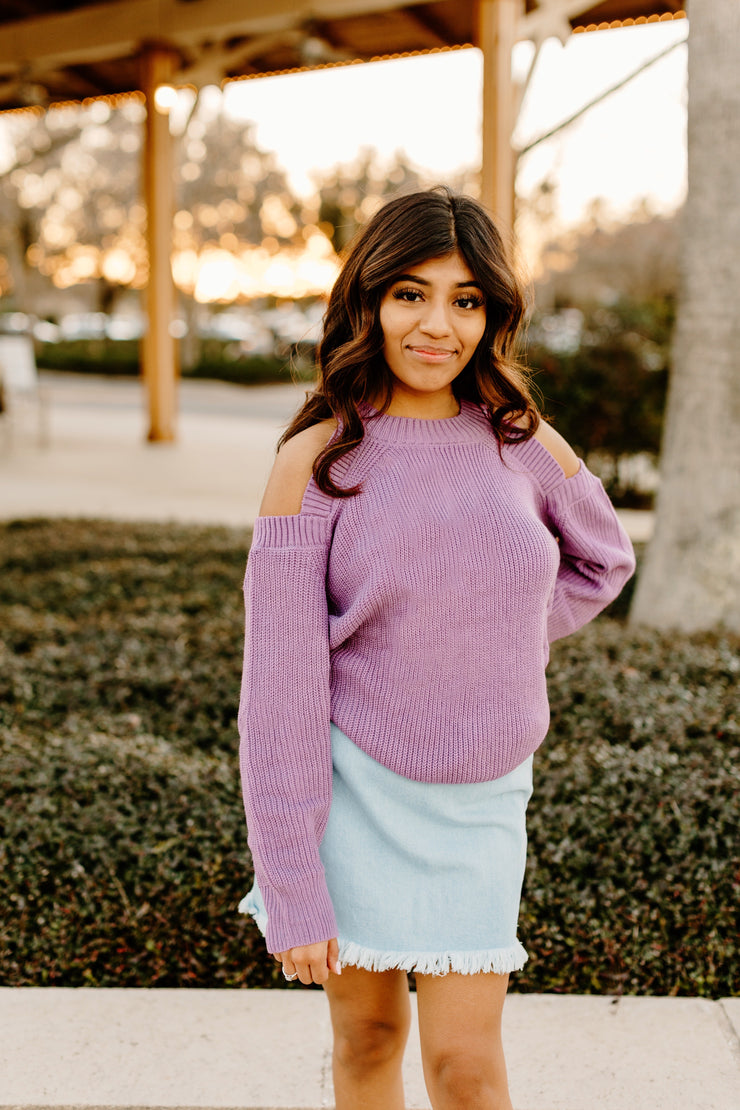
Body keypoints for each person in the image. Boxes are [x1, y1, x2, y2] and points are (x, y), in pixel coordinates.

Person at [237, 187, 635, 1110]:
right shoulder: (315, 460)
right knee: (368, 1038)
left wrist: (483, 637)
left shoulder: (520, 436)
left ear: (492, 316)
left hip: (483, 802)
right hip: (352, 794)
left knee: (467, 1069)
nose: (437, 324)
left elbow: (606, 557)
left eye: (466, 300)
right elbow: (281, 692)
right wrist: (290, 881)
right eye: (411, 294)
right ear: (369, 302)